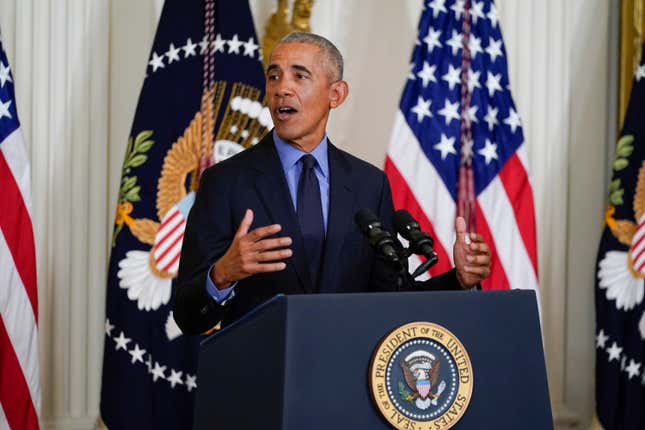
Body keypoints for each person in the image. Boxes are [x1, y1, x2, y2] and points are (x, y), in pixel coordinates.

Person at [174, 32, 491, 335]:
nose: (281, 88)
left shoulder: (369, 184)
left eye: (299, 76)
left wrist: (457, 280)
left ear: (336, 94)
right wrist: (222, 274)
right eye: (274, 76)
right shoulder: (225, 181)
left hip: (346, 375)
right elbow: (188, 316)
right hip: (262, 377)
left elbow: (392, 297)